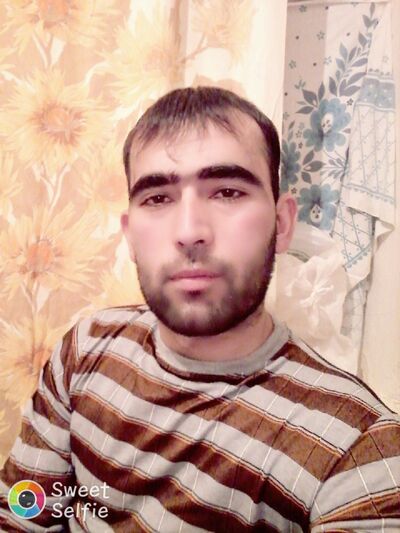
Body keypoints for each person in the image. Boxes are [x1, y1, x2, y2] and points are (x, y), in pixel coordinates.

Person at [0, 87, 399, 532]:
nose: (189, 232)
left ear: (282, 224)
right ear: (130, 236)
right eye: (157, 198)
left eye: (227, 192)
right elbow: (23, 513)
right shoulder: (85, 348)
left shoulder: (359, 453)